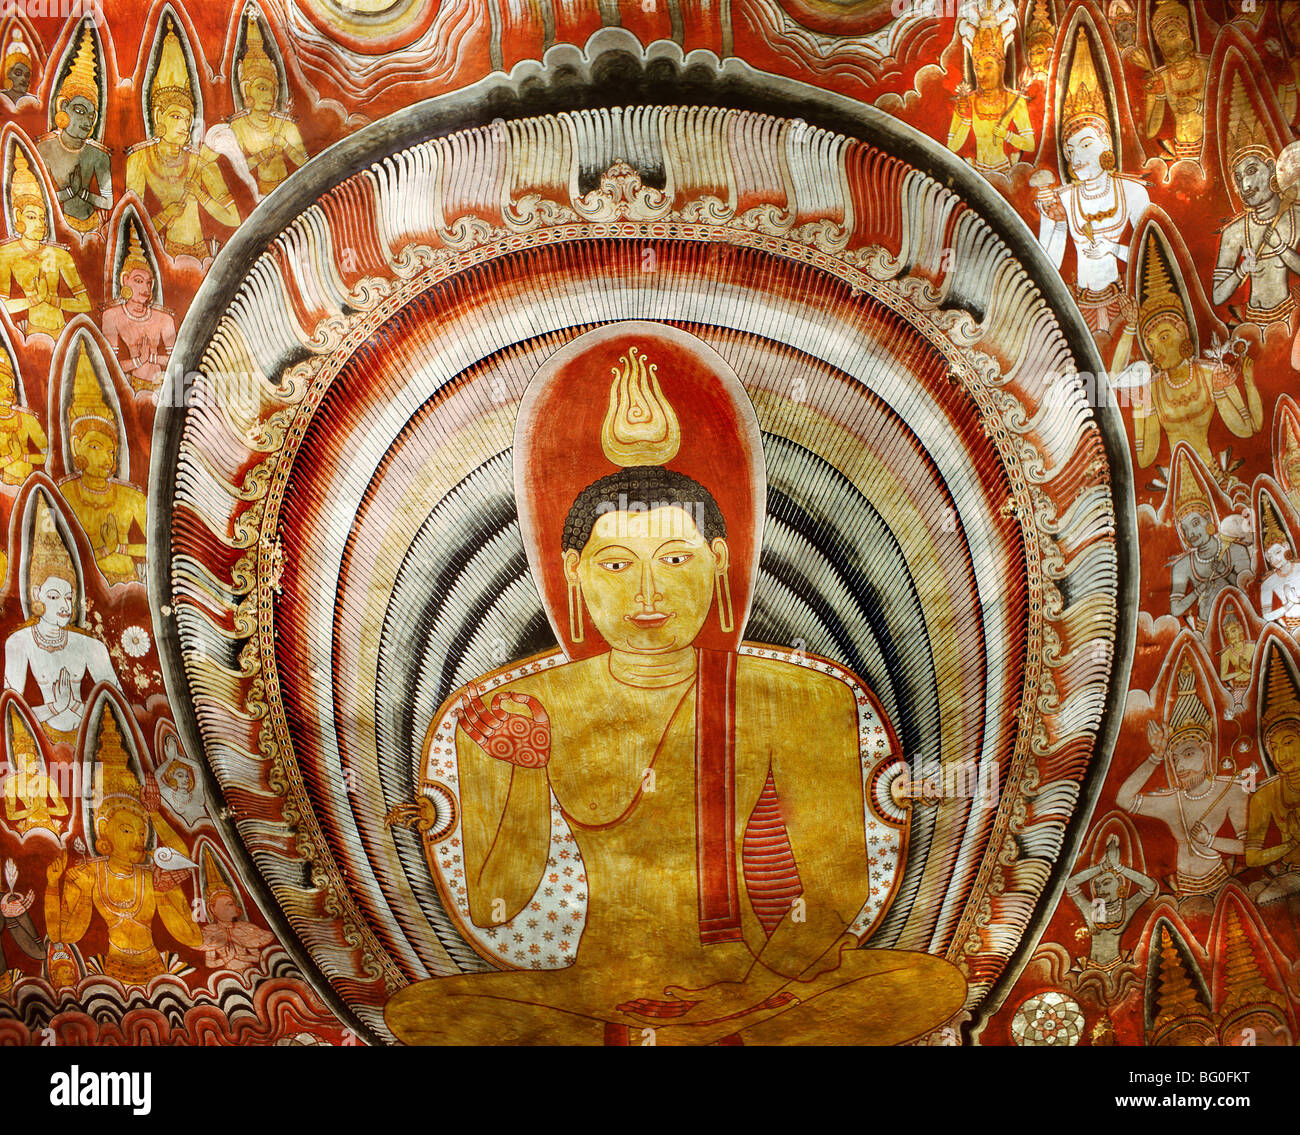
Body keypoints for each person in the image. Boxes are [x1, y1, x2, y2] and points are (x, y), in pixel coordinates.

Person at [384, 331, 966, 1045]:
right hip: (600, 989)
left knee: (927, 982)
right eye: (618, 564)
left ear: (720, 560)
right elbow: (498, 903)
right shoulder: (522, 708)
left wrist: (739, 993)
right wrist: (522, 771)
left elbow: (837, 893)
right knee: (424, 1012)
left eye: (677, 557)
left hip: (758, 986)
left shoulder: (806, 695)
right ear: (572, 572)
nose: (650, 592)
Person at [43, 710, 201, 985]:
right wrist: (52, 886)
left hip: (157, 971)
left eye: (141, 832)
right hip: (112, 973)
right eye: (127, 831)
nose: (138, 839)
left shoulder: (149, 876)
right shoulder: (89, 875)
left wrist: (154, 814)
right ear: (104, 835)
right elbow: (64, 935)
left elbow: (182, 863)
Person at [1038, 30, 1150, 334]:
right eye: (1069, 151)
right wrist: (1056, 223)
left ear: (1105, 143)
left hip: (1125, 304)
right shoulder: (1061, 198)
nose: (1077, 158)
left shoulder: (1132, 191)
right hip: (1079, 305)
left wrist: (1112, 248)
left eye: (1086, 144)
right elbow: (1045, 266)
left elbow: (1150, 257)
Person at [1112, 244, 1261, 471]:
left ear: (1182, 330)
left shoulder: (1210, 374)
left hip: (1214, 477)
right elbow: (1145, 458)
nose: (1155, 351)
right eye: (1150, 345)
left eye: (1163, 337)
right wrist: (1130, 327)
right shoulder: (1152, 391)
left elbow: (1247, 428)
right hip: (1177, 488)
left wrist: (1232, 387)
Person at [1117, 660, 1249, 899]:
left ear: (1206, 752)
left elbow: (1249, 848)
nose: (1180, 766)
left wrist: (1210, 840)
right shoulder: (1172, 801)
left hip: (1221, 882)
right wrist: (1155, 757)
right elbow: (1124, 798)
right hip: (1185, 887)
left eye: (1188, 753)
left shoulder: (1231, 790)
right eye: (1175, 758)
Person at [3, 497, 121, 744]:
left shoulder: (91, 646)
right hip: (42, 741)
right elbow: (9, 714)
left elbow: (119, 709)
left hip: (88, 739)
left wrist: (77, 707)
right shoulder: (19, 643)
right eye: (54, 596)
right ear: (37, 595)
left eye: (69, 596)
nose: (65, 606)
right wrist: (55, 708)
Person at [124, 21, 239, 262]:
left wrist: (200, 194)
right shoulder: (139, 159)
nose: (183, 125)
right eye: (175, 116)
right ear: (157, 117)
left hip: (202, 253)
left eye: (187, 118)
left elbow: (234, 218)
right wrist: (165, 216)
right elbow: (131, 227)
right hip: (164, 253)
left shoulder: (200, 161)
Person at [57, 345, 147, 585]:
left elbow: (157, 548)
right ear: (76, 446)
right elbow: (60, 553)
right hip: (82, 586)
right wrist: (106, 551)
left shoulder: (131, 496)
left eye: (111, 451)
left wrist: (120, 548)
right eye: (95, 447)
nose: (107, 459)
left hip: (126, 583)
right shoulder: (65, 494)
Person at [1212, 97, 1300, 333]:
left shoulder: (1296, 216)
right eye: (1239, 179)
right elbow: (1218, 295)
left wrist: (1281, 248)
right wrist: (1242, 269)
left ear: (1271, 167)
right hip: (1253, 322)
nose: (1246, 185)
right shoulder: (1235, 231)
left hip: (1290, 318)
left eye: (1252, 171)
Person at [0, 150, 90, 339]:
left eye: (42, 218)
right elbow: (2, 306)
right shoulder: (7, 253)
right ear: (18, 216)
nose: (40, 224)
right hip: (34, 332)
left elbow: (85, 303)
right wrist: (33, 300)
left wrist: (50, 299)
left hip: (62, 330)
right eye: (32, 217)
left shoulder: (59, 255)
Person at [36, 25, 112, 236]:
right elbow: (39, 197)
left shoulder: (99, 155)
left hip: (92, 228)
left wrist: (85, 195)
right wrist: (70, 193)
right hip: (56, 229)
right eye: (79, 110)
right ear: (62, 107)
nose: (86, 121)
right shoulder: (44, 148)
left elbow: (108, 202)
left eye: (91, 115)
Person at [227, 17, 306, 197]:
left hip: (289, 191)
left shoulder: (286, 126)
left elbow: (306, 163)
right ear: (247, 90)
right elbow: (237, 170)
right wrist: (262, 156)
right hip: (261, 195)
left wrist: (286, 145)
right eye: (262, 88)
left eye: (272, 90)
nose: (269, 96)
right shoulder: (238, 127)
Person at [1246, 647, 1300, 903]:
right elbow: (1252, 857)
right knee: (1264, 900)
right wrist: (1290, 845)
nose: (1281, 755)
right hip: (1293, 871)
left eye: (1288, 742)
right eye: (1274, 748)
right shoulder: (1265, 795)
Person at [946, 26, 1034, 177]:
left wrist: (1007, 135)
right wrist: (966, 120)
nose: (981, 75)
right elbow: (952, 147)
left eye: (988, 67)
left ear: (1001, 67)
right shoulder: (967, 101)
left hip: (1006, 172)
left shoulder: (1015, 101)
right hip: (977, 173)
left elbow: (1030, 145)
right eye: (978, 69)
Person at [1065, 834, 1156, 970]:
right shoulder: (1093, 909)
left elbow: (1150, 886)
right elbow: (1071, 884)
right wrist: (1102, 867)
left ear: (1120, 882)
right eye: (1097, 886)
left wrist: (1119, 867)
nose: (1101, 889)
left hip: (1117, 968)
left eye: (1106, 883)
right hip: (1091, 969)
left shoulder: (1126, 907)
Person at [101, 227, 174, 394]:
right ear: (125, 280)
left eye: (148, 283)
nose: (145, 288)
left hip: (161, 389)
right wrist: (139, 361)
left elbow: (177, 361)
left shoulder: (164, 318)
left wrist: (152, 358)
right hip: (131, 388)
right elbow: (109, 365)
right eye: (139, 281)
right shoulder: (112, 316)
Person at [1140, 0, 1208, 163]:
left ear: (1186, 34)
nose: (1168, 45)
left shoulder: (1207, 67)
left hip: (1210, 147)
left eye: (1172, 35)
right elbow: (1150, 131)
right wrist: (1160, 95)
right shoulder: (1162, 77)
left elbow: (1224, 111)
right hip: (1183, 152)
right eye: (1162, 41)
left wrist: (1197, 106)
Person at [0, 353, 47, 486]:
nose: (8, 392)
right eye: (0, 385)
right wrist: (12, 457)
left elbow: (48, 454)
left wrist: (23, 457)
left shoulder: (25, 418)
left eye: (10, 386)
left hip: (26, 484)